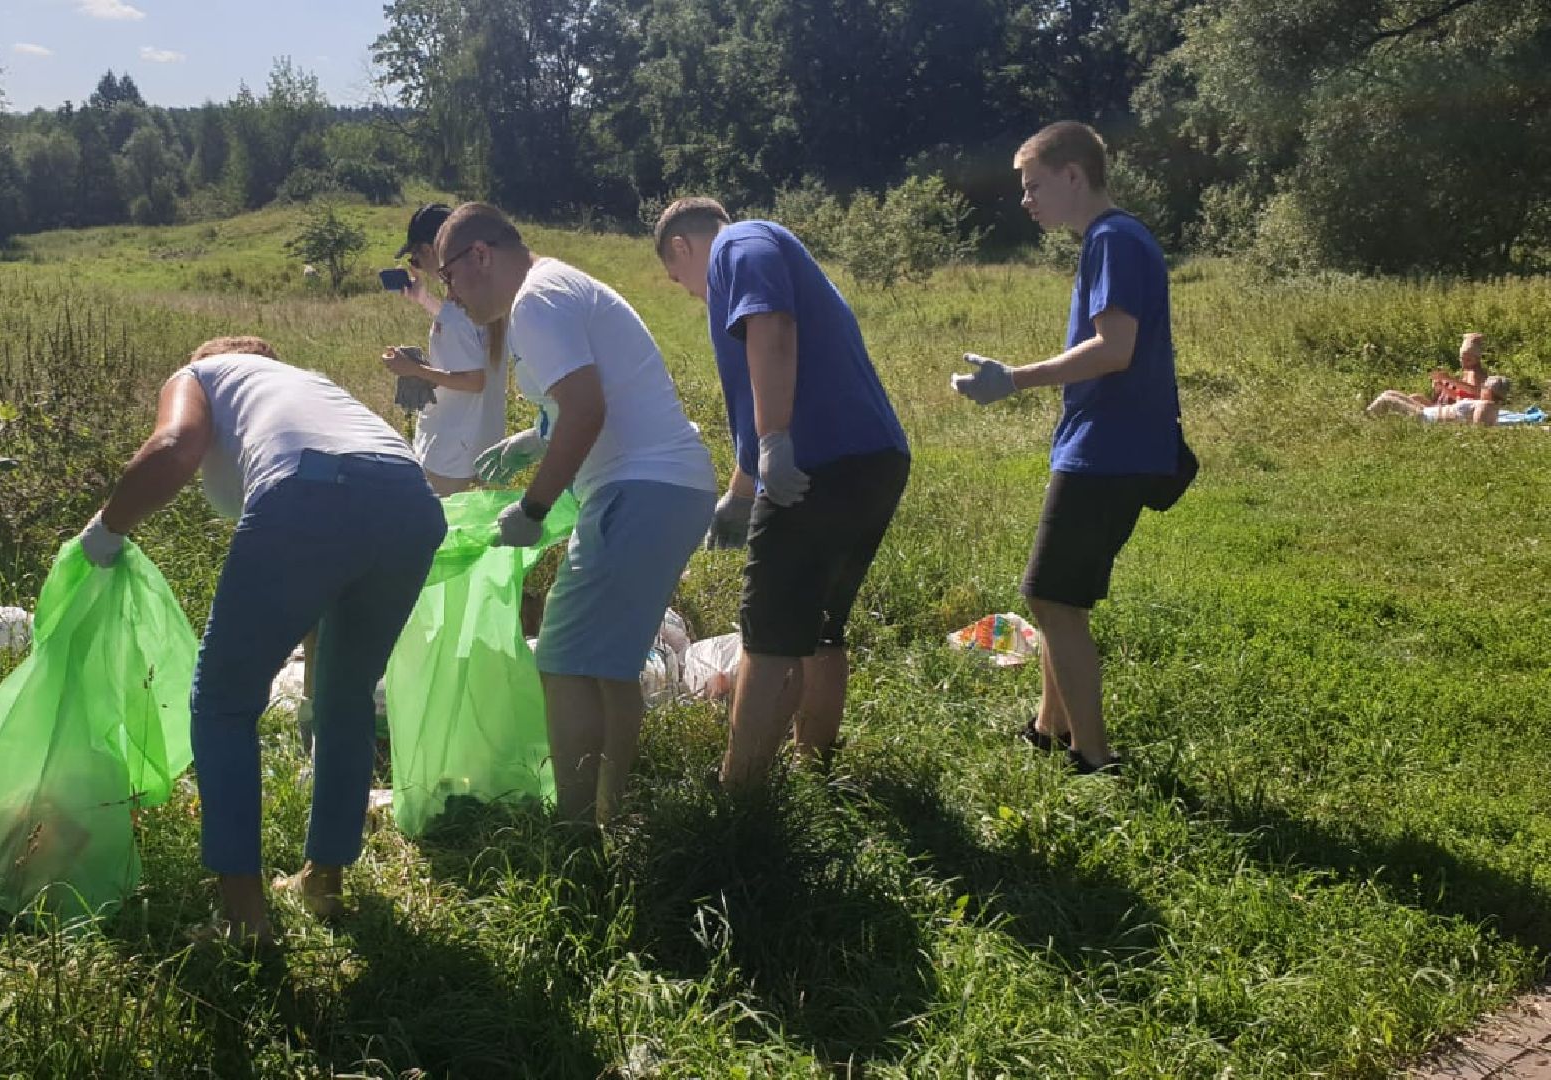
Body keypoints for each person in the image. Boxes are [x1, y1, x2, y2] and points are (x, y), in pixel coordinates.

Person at [77, 336, 445, 942]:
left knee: (223, 702)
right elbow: (339, 512)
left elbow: (173, 446)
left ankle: (242, 917)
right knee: (345, 699)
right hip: (411, 502)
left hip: (309, 492)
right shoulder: (309, 386)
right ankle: (323, 884)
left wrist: (107, 528)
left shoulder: (201, 373)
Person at [431, 203, 717, 824]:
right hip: (668, 488)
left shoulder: (536, 300)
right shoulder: (553, 289)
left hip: (639, 489)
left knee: (562, 660)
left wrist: (533, 508)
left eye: (448, 278)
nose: (448, 297)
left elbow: (586, 411)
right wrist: (532, 438)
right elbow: (579, 398)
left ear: (481, 255)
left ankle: (576, 832)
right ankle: (616, 813)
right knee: (610, 669)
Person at [950, 121, 1184, 776]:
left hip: (1108, 450)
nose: (1025, 200)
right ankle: (1051, 729)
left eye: (1034, 186)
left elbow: (1115, 350)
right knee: (1057, 598)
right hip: (1108, 446)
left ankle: (1095, 757)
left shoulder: (1112, 239)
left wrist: (1013, 380)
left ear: (1074, 176)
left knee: (1052, 598)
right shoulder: (1113, 240)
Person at [651, 198, 911, 785]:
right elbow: (758, 394)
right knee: (821, 628)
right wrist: (742, 491)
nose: (691, 293)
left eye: (678, 279)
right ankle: (816, 772)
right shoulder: (761, 250)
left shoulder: (738, 246)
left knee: (767, 640)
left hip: (815, 470)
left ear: (682, 248)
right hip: (872, 462)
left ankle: (740, 799)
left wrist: (774, 444)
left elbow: (773, 330)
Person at [379, 203, 511, 496]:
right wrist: (425, 300)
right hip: (483, 436)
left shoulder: (455, 314)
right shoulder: (485, 295)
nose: (416, 263)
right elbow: (468, 331)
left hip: (451, 446)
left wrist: (412, 369)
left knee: (443, 533)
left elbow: (474, 381)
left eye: (415, 256)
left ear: (430, 250)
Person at [1370, 375, 1510, 425]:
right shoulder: (1482, 403)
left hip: (1425, 418)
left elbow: (1479, 427)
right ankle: (1371, 419)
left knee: (1386, 400)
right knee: (1389, 393)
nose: (1481, 388)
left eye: (1484, 387)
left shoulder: (1485, 405)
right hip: (1426, 412)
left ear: (1490, 392)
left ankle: (1364, 419)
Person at [1406, 333, 1491, 407]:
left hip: (1463, 410)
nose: (1464, 363)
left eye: (1468, 360)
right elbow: (1460, 397)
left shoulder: (1475, 372)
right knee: (1415, 397)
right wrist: (1443, 386)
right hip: (1456, 406)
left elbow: (1474, 391)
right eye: (1462, 359)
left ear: (1477, 359)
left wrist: (1447, 379)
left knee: (1413, 399)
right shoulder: (1467, 371)